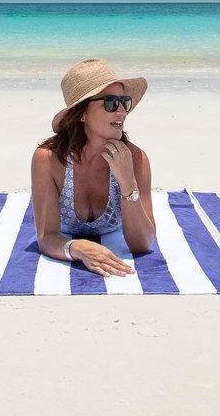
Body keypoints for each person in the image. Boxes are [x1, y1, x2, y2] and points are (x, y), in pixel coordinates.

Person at [31, 58, 156, 276]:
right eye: (110, 103)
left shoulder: (136, 159)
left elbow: (142, 244)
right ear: (81, 113)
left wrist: (128, 183)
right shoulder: (49, 159)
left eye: (124, 102)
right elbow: (46, 238)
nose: (122, 111)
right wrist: (78, 248)